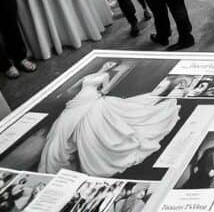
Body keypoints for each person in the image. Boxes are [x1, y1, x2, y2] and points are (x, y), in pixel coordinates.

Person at [38, 60, 180, 177]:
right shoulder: (88, 76)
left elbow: (105, 89)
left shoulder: (104, 77)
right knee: (61, 129)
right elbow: (71, 89)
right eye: (108, 64)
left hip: (91, 99)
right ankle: (54, 162)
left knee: (82, 129)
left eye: (111, 66)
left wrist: (97, 94)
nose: (108, 66)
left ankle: (59, 163)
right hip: (79, 100)